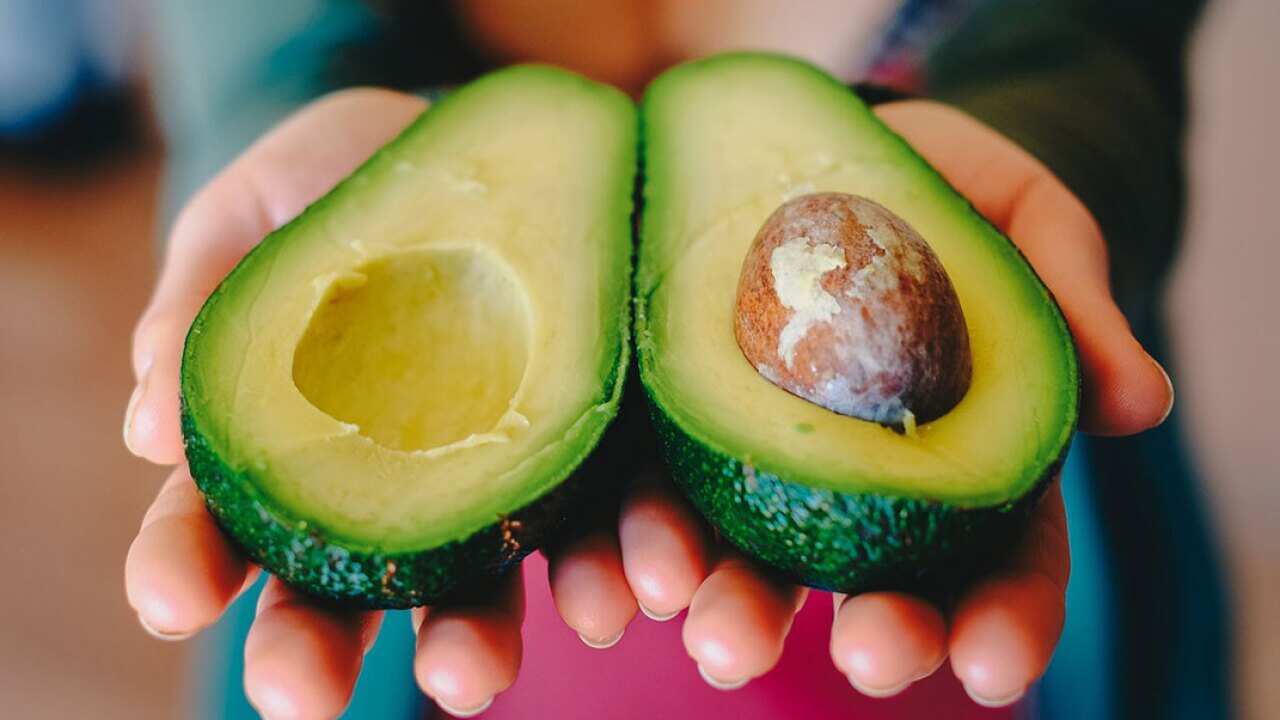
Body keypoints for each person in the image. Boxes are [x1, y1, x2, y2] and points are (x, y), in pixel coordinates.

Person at [123, 2, 1228, 718]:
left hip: (974, 611)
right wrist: (286, 114)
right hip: (459, 623)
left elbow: (1095, 37)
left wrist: (1054, 144)